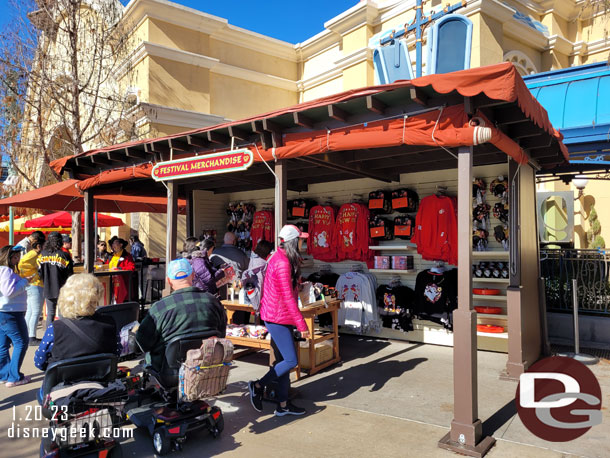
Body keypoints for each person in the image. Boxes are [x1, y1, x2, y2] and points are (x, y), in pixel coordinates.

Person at [248, 225, 310, 416]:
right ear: (293, 242)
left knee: (284, 361)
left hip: (277, 315)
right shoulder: (283, 263)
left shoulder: (281, 258)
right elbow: (288, 299)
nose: (303, 243)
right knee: (291, 360)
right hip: (277, 317)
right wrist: (302, 324)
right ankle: (258, 386)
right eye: (301, 240)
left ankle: (282, 406)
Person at [34, 274, 119, 402]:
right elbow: (117, 351)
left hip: (62, 386)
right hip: (99, 383)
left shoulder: (55, 328)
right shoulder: (109, 322)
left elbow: (39, 361)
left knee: (41, 394)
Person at [136, 258, 227, 372]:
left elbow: (143, 343)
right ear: (193, 276)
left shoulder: (159, 308)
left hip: (168, 371)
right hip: (206, 367)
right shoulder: (213, 301)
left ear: (168, 281)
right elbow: (222, 334)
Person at [0, 245, 31, 387]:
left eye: (18, 256)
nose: (17, 259)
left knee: (3, 345)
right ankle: (13, 377)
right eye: (15, 256)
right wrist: (25, 281)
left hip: (5, 312)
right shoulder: (6, 270)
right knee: (21, 342)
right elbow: (9, 291)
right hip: (11, 312)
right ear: (8, 257)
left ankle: (6, 374)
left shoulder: (4, 270)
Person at [38, 232, 73, 328]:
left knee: (50, 313)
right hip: (62, 287)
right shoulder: (64, 255)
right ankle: (62, 333)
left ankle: (49, 335)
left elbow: (39, 272)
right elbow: (70, 273)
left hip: (48, 287)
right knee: (62, 313)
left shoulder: (42, 254)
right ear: (60, 242)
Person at [18, 235, 46, 345]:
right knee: (36, 312)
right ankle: (32, 337)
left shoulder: (31, 254)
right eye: (43, 246)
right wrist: (33, 272)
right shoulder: (34, 254)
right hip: (35, 284)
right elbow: (22, 264)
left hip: (30, 284)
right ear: (39, 246)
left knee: (30, 311)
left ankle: (25, 334)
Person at [210, 232, 249, 299]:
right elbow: (247, 270)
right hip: (236, 287)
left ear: (224, 240)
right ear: (234, 241)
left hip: (220, 288)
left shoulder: (215, 253)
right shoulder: (241, 254)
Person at [107, 237, 136, 304]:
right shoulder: (111, 256)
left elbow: (132, 267)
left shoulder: (127, 256)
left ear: (121, 245)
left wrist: (120, 269)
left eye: (115, 243)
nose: (113, 245)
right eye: (112, 244)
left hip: (123, 283)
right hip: (111, 282)